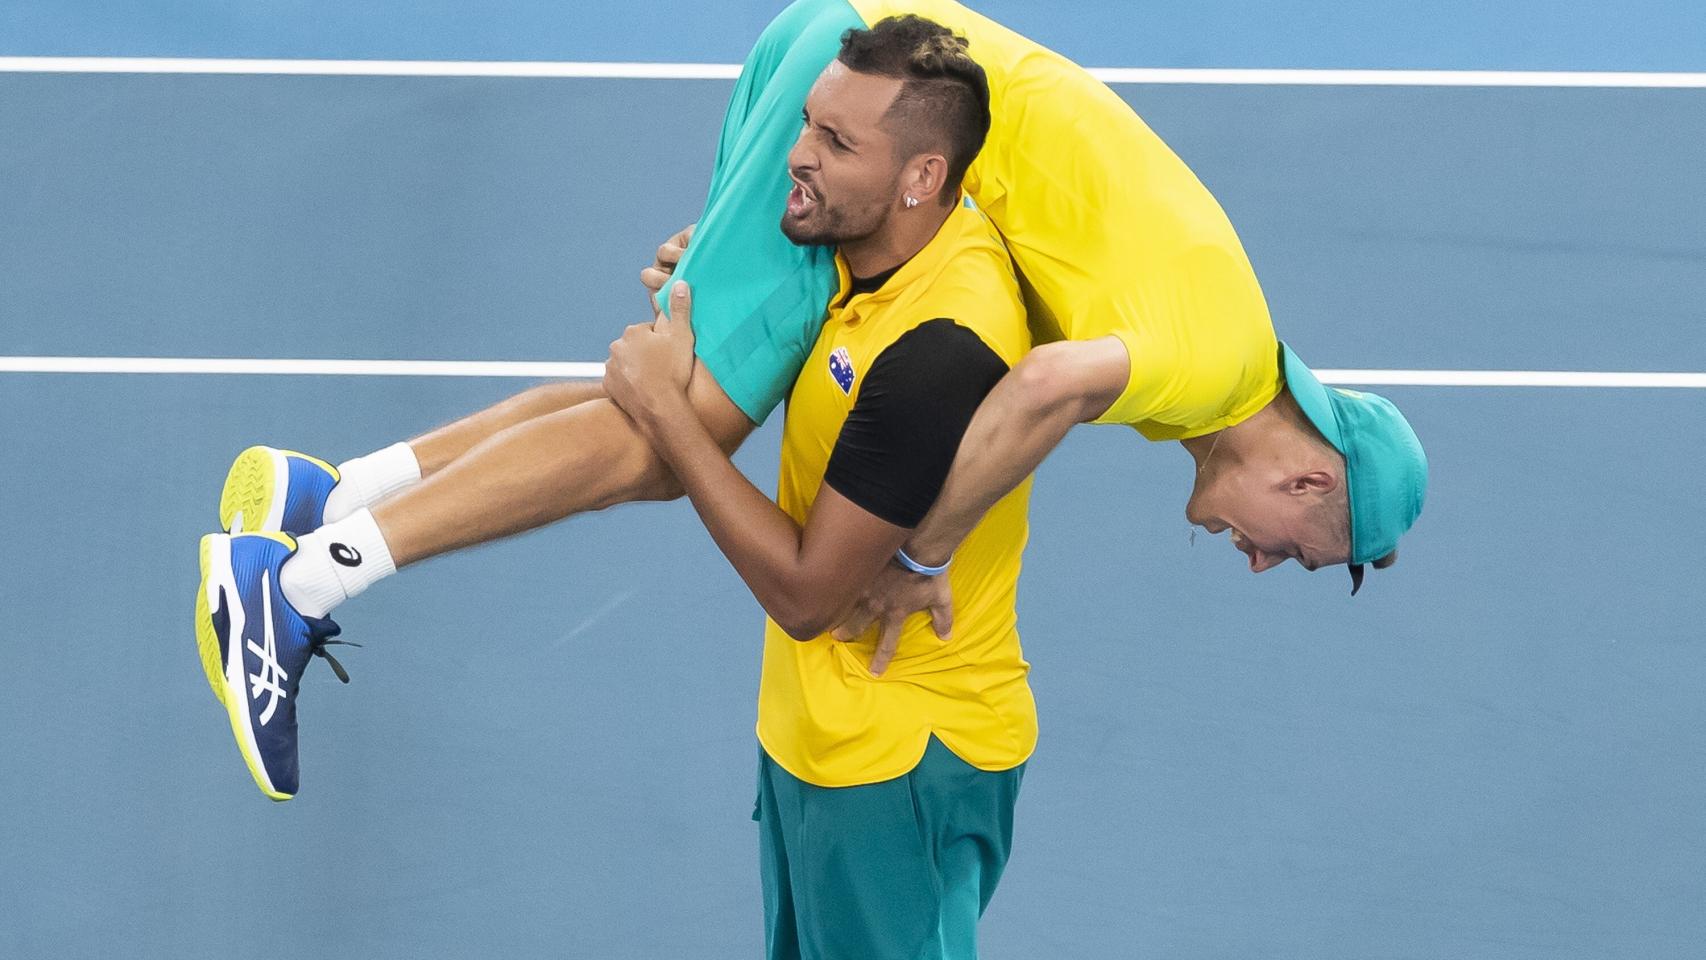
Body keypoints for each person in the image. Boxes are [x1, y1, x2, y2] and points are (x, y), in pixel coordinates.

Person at [194, 0, 1425, 800]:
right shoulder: (1208, 368)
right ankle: (298, 583)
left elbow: (1037, 302)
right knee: (668, 440)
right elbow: (1042, 382)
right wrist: (925, 551)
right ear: (1311, 476)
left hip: (848, 59)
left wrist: (754, 236)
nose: (1269, 563)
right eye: (1303, 554)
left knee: (676, 399)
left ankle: (334, 490)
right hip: (879, 103)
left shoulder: (1218, 341)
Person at [603, 21, 1035, 957]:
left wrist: (663, 408)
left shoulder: (940, 352)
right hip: (819, 741)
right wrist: (710, 284)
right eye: (808, 123)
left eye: (837, 144)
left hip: (900, 764)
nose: (797, 154)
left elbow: (807, 593)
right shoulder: (878, 253)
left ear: (920, 177)